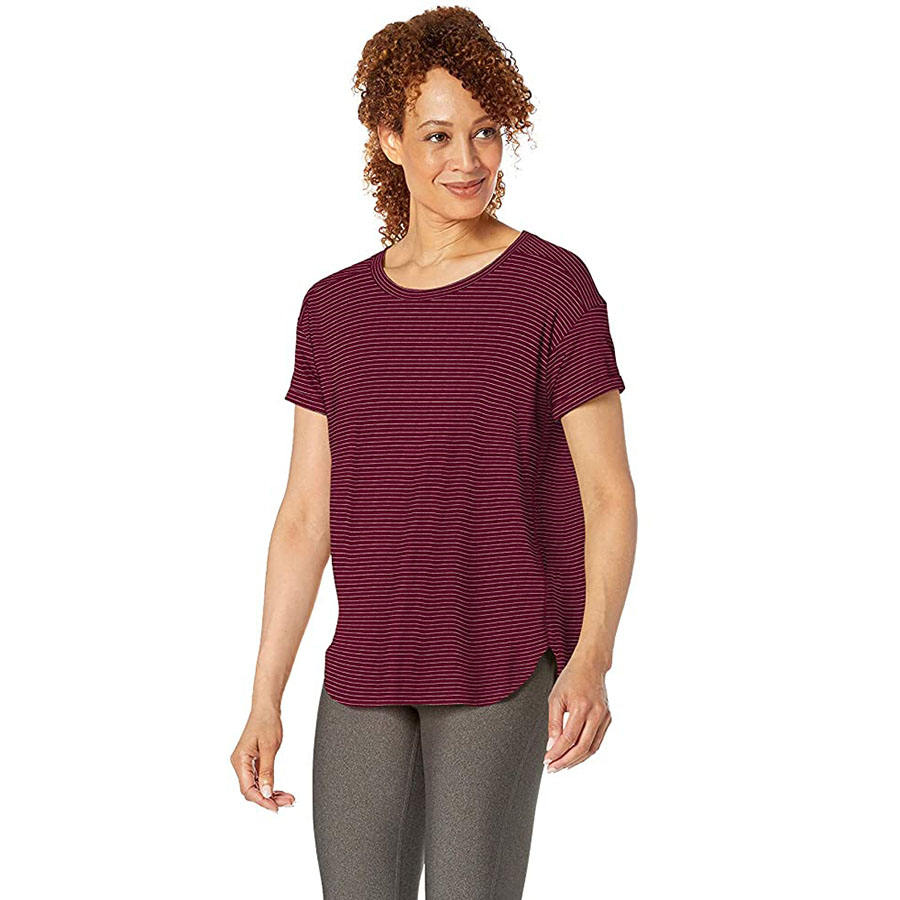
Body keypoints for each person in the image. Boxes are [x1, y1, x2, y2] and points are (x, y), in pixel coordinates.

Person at [231, 7, 637, 898]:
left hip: (497, 656)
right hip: (365, 667)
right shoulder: (333, 308)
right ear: (389, 139)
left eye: (487, 132)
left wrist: (592, 658)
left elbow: (609, 494)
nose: (469, 160)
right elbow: (304, 516)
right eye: (439, 136)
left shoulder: (553, 288)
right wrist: (265, 696)